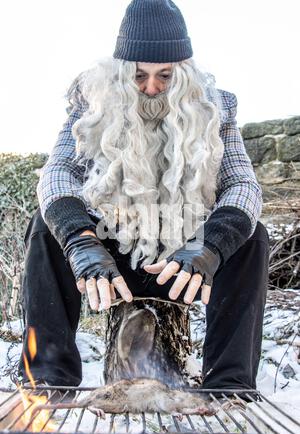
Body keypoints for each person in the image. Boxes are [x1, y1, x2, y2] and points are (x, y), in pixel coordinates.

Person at [18, 0, 269, 391]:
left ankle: (229, 386)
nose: (152, 88)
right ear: (121, 74)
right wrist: (81, 241)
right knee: (45, 228)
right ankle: (49, 380)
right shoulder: (92, 103)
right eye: (139, 76)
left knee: (252, 236)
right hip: (109, 269)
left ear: (183, 74)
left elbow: (243, 186)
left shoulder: (218, 108)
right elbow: (58, 172)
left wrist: (209, 248)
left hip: (184, 266)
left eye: (165, 76)